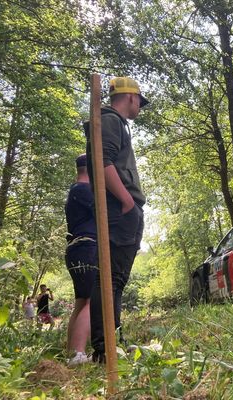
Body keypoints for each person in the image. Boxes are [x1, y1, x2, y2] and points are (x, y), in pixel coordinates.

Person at [84, 77, 147, 363]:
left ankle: (111, 341)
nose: (140, 108)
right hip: (119, 210)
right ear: (131, 96)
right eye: (140, 101)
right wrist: (126, 200)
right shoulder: (110, 120)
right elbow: (103, 160)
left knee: (115, 280)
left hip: (123, 210)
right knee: (110, 279)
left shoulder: (113, 122)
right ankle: (105, 347)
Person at [64, 153, 98, 366]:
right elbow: (104, 212)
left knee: (82, 301)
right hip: (87, 247)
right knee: (92, 300)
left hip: (78, 248)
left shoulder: (75, 191)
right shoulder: (83, 190)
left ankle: (71, 352)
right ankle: (77, 353)